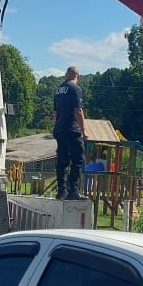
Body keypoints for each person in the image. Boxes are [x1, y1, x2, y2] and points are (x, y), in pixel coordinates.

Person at [53, 65, 87, 200]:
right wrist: (84, 130)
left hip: (59, 129)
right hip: (72, 129)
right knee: (78, 160)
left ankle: (61, 191)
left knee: (62, 161)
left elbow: (55, 112)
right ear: (78, 76)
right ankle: (73, 191)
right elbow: (78, 110)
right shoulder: (75, 89)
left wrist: (57, 126)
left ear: (66, 75)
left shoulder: (58, 90)